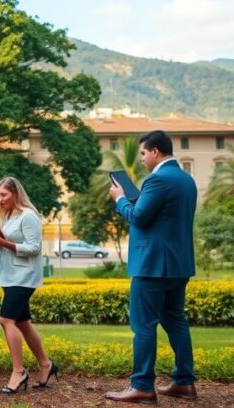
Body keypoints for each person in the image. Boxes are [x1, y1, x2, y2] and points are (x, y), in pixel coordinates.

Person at [105, 130, 197, 403]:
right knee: (175, 320)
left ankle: (142, 385)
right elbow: (162, 217)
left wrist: (120, 199)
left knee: (143, 324)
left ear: (155, 151)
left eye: (143, 153)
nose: (142, 158)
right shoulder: (186, 180)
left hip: (152, 266)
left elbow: (139, 218)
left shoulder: (156, 179)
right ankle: (184, 382)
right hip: (178, 265)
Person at [0, 177, 57, 395]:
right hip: (8, 275)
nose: (0, 199)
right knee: (22, 322)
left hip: (24, 277)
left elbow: (34, 248)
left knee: (6, 320)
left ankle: (18, 371)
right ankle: (46, 364)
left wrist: (3, 242)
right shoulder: (6, 218)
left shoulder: (29, 216)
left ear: (15, 193)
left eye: (4, 194)